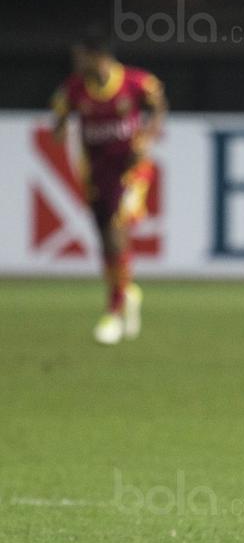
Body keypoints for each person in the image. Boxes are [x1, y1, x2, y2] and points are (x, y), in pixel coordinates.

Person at [50, 29, 166, 345]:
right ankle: (127, 291)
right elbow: (59, 118)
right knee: (106, 242)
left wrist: (147, 136)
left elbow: (158, 106)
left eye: (81, 57)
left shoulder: (136, 82)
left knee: (116, 230)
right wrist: (59, 128)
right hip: (97, 174)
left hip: (131, 170)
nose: (77, 63)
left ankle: (113, 312)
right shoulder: (74, 90)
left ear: (97, 56)